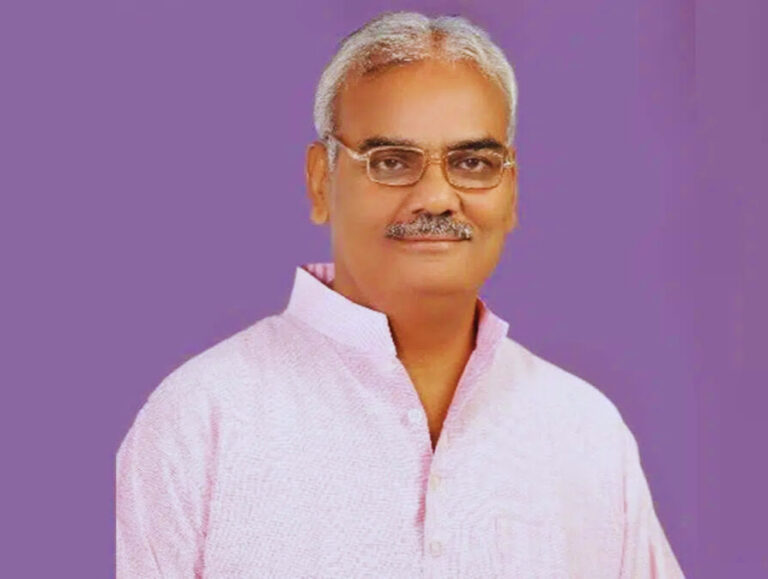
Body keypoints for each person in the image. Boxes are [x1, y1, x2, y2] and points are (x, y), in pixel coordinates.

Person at [116, 11, 684, 578]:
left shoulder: (586, 431)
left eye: (472, 162)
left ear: (511, 192)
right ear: (321, 182)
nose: (436, 197)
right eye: (391, 162)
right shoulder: (201, 422)